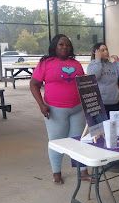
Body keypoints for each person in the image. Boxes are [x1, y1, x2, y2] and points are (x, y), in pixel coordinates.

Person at [30, 34, 87, 185]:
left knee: (78, 140)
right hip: (55, 109)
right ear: (55, 46)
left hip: (78, 108)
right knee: (57, 141)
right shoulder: (46, 63)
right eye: (61, 44)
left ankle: (83, 170)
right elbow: (34, 84)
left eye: (67, 45)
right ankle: (56, 172)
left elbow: (84, 83)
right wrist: (41, 104)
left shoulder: (76, 64)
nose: (65, 47)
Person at [87, 42, 119, 115]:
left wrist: (118, 62)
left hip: (115, 102)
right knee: (102, 126)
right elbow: (93, 77)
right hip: (100, 103)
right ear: (96, 52)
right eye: (102, 50)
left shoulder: (113, 65)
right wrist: (98, 60)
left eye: (106, 49)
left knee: (114, 125)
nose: (106, 52)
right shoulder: (92, 65)